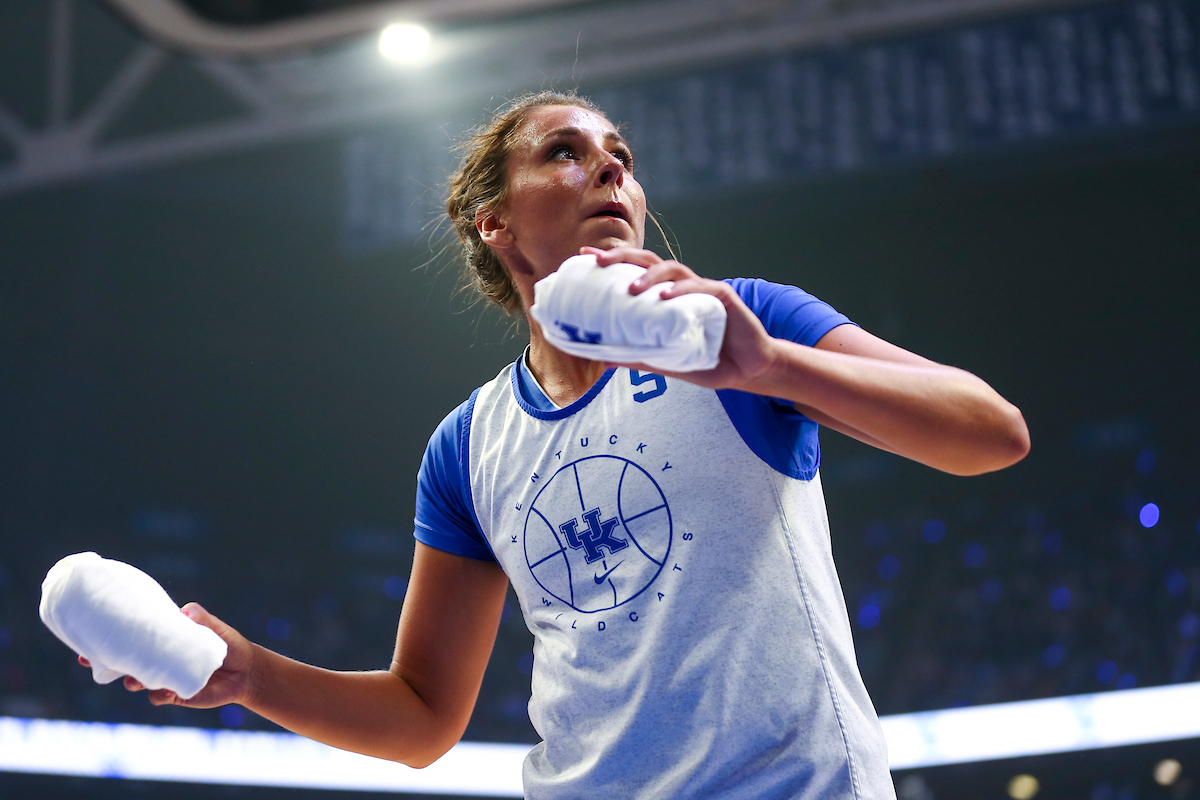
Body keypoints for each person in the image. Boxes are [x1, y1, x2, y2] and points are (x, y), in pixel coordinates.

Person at [90, 91, 1029, 799]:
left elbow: (990, 432)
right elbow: (422, 717)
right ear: (492, 221)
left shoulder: (741, 320)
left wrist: (768, 366)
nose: (612, 169)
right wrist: (252, 674)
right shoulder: (465, 447)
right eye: (566, 153)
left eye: (621, 154)